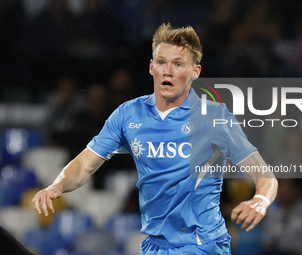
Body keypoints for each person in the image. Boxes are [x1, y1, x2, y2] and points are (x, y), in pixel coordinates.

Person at [32, 23, 278, 254]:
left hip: (202, 244)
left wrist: (260, 199)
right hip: (154, 246)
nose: (168, 71)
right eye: (162, 62)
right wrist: (57, 185)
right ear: (152, 67)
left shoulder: (213, 118)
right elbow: (85, 164)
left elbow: (265, 176)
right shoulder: (128, 114)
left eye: (178, 64)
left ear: (195, 71)